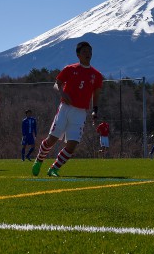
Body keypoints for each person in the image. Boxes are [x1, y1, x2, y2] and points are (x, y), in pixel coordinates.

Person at [32, 41, 103, 177]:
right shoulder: (70, 69)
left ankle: (54, 168)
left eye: (89, 51)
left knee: (72, 145)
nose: (88, 54)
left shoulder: (96, 75)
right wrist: (62, 92)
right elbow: (56, 84)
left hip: (81, 112)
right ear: (78, 55)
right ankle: (39, 159)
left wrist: (95, 110)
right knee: (51, 140)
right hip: (65, 108)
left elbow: (96, 94)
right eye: (84, 52)